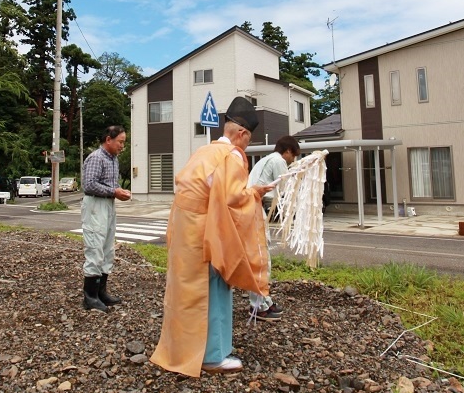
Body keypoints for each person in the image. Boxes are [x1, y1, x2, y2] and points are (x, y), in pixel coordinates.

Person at [150, 97, 276, 376]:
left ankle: (179, 350)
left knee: (185, 292)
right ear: (241, 133)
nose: (246, 146)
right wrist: (255, 193)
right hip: (206, 230)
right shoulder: (230, 155)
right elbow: (232, 199)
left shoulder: (204, 151)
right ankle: (213, 355)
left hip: (184, 226)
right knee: (215, 287)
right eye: (248, 140)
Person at [246, 135, 300, 321]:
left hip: (252, 206)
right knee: (261, 258)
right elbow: (283, 191)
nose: (293, 159)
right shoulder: (278, 161)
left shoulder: (266, 160)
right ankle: (258, 306)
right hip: (253, 208)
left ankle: (264, 300)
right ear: (287, 151)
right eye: (294, 155)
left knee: (260, 256)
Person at [80, 125, 131, 312]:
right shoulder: (96, 157)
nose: (122, 146)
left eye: (123, 142)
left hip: (108, 204)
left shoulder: (113, 159)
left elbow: (110, 184)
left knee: (108, 247)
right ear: (108, 139)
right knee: (95, 245)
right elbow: (89, 185)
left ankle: (101, 293)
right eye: (120, 142)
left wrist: (117, 191)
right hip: (95, 205)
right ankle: (90, 296)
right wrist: (114, 191)